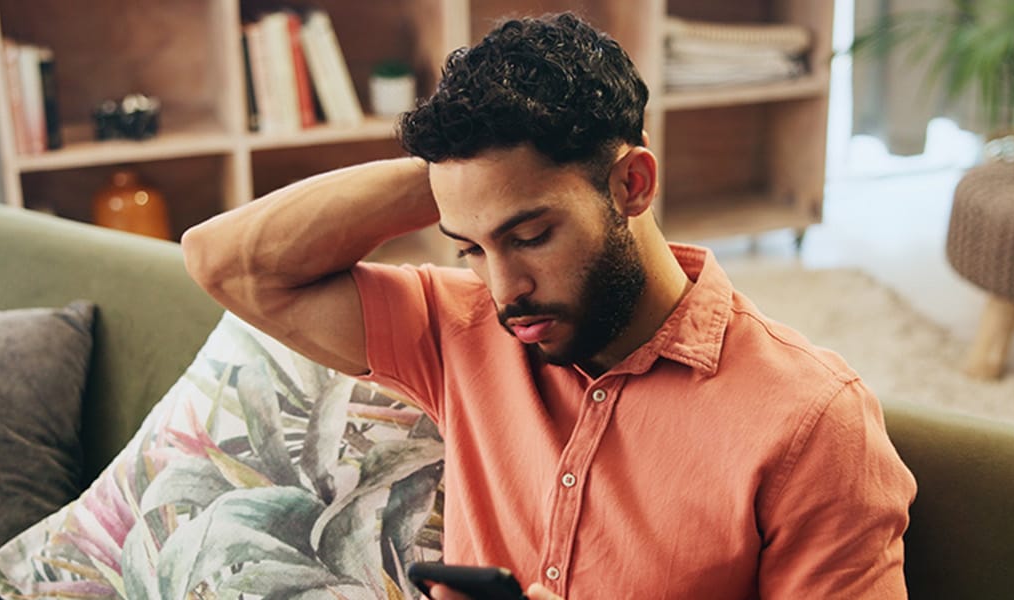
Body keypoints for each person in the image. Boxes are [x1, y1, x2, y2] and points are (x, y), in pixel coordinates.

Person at [182, 13, 916, 599]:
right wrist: (454, 179)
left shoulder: (813, 424)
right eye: (469, 246)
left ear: (632, 184)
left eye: (530, 234)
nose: (504, 291)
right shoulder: (460, 329)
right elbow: (225, 262)